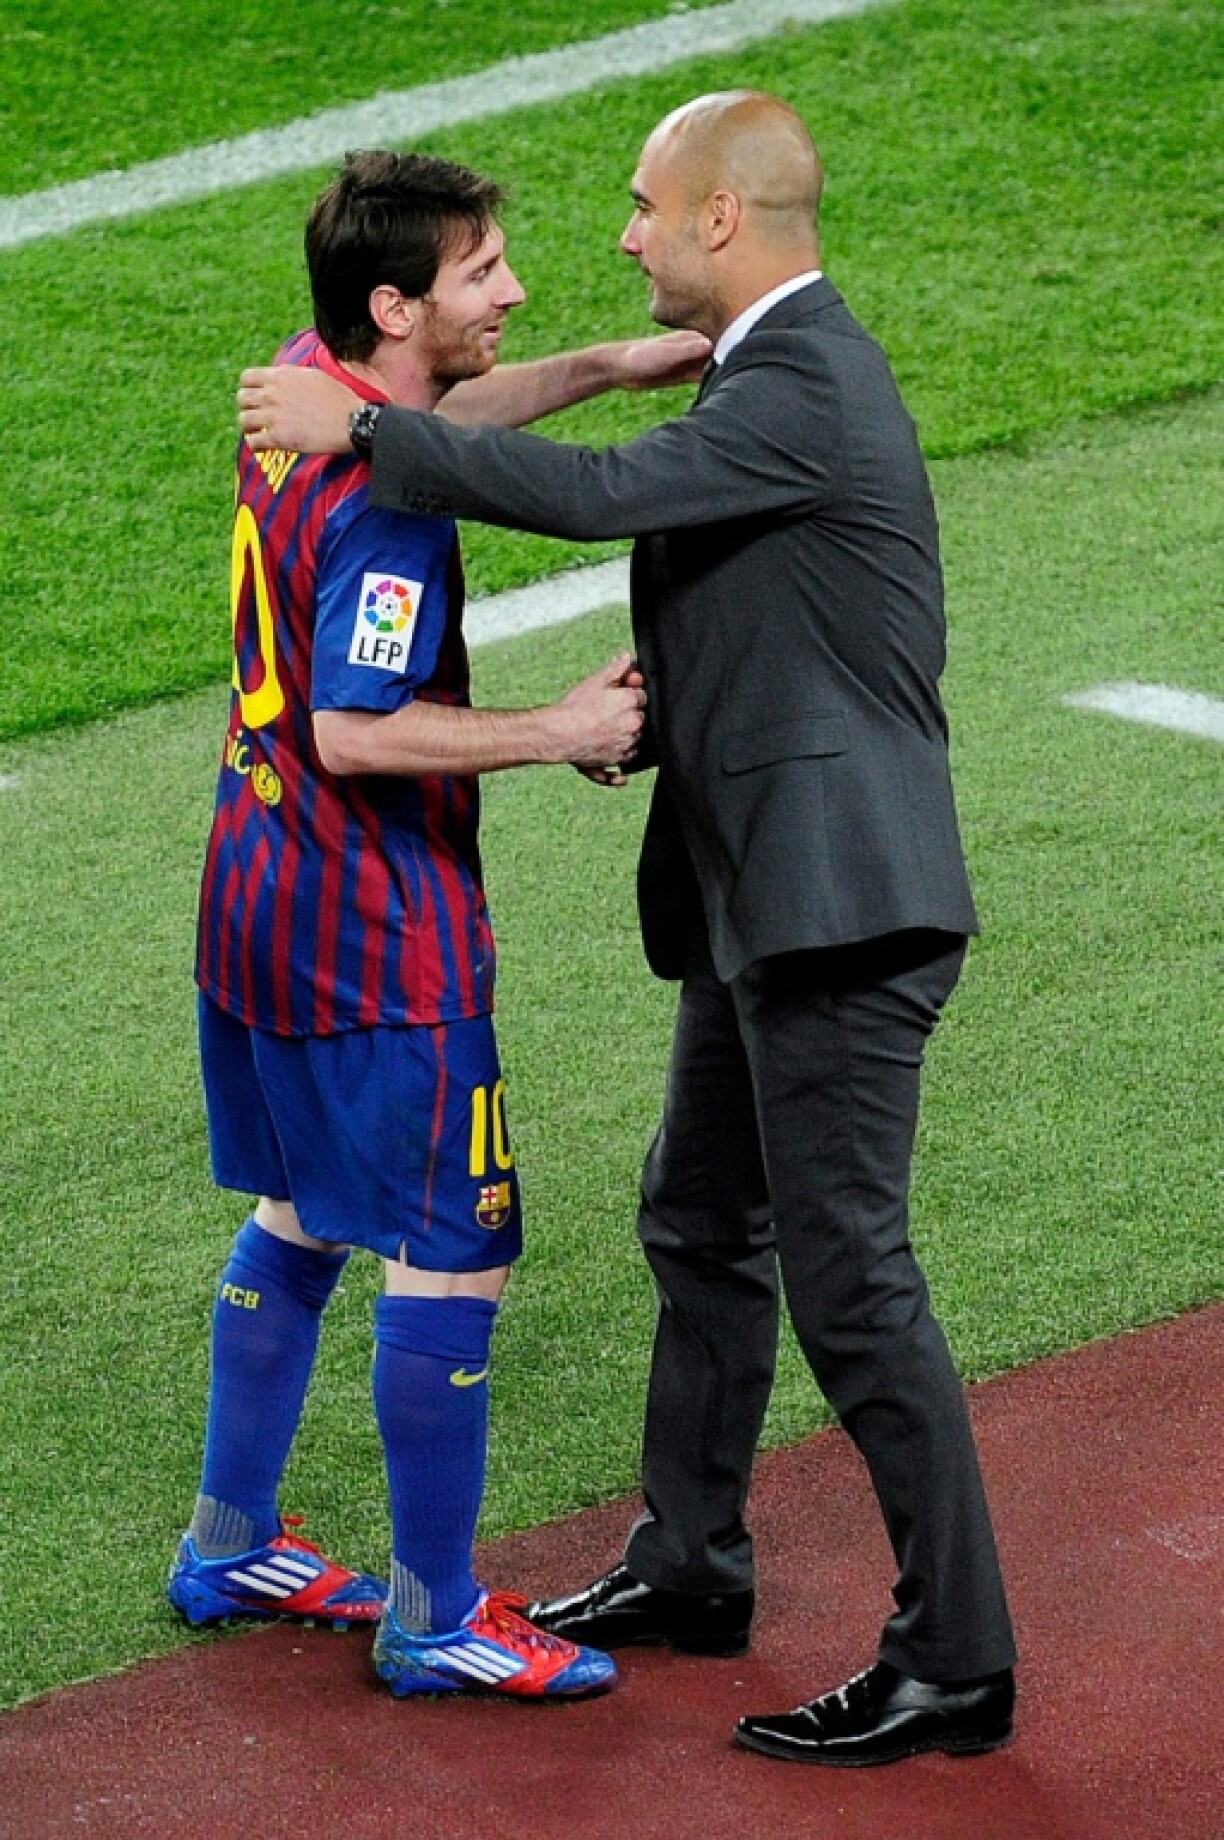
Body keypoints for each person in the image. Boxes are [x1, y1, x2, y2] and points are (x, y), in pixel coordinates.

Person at [235, 95, 1018, 1762]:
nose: (622, 237)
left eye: (646, 207)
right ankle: (691, 1562)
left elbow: (600, 506)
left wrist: (366, 434)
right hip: (760, 887)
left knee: (855, 1287)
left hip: (841, 909)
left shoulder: (804, 375)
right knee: (699, 1226)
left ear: (724, 222)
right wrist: (644, 719)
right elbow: (762, 611)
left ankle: (957, 1655)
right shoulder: (763, 373)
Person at [176, 148, 706, 1703]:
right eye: (484, 273)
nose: (518, 289)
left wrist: (606, 365)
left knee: (302, 1210)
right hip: (371, 930)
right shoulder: (390, 510)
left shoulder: (303, 385)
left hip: (250, 891)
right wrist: (560, 728)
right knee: (455, 1251)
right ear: (398, 305)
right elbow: (359, 727)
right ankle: (437, 1614)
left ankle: (229, 1537)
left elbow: (432, 423)